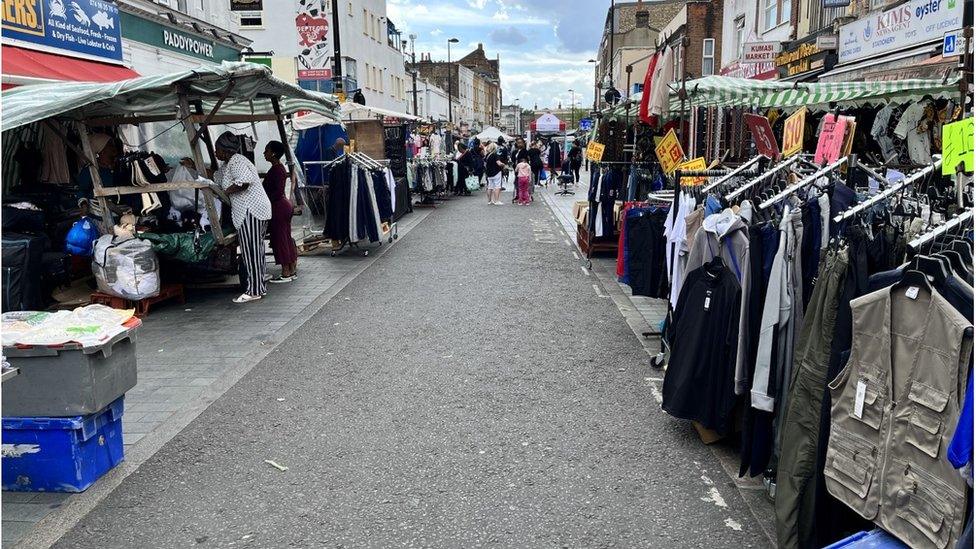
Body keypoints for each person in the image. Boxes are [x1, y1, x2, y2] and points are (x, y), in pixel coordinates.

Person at [213, 131, 273, 304]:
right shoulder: (228, 164)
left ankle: (254, 290)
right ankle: (258, 287)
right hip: (251, 211)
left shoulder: (237, 161)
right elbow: (217, 177)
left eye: (217, 149)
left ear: (224, 150)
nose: (216, 153)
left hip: (250, 211)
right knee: (255, 251)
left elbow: (243, 182)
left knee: (251, 251)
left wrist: (226, 192)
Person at [262, 140, 299, 283]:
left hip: (278, 207)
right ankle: (291, 268)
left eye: (266, 150)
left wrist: (265, 201)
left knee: (280, 239)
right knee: (285, 238)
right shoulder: (278, 168)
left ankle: (286, 272)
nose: (264, 153)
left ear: (273, 153)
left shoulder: (277, 169)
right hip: (282, 206)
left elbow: (277, 192)